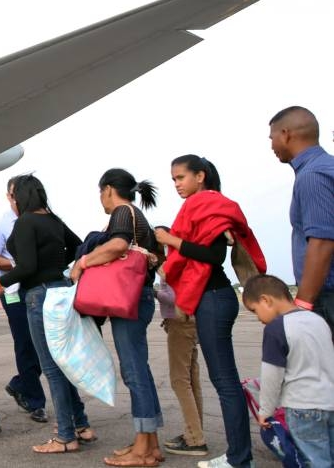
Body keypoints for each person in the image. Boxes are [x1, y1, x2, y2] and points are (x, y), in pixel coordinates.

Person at [156, 155, 266, 468]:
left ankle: (239, 459)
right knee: (224, 380)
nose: (177, 184)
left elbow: (213, 256)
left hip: (213, 298)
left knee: (225, 382)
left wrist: (170, 240)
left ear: (200, 176)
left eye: (180, 177)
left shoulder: (207, 205)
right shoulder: (207, 206)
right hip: (215, 298)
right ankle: (238, 456)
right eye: (173, 179)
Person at [69, 169, 163, 466]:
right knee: (139, 370)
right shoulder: (135, 213)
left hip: (130, 300)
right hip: (139, 298)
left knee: (134, 371)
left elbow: (119, 245)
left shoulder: (123, 211)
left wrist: (82, 262)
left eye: (100, 192)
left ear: (108, 189)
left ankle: (143, 451)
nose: (101, 199)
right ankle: (148, 443)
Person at [0, 174, 92, 453]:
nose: (10, 201)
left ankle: (65, 436)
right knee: (63, 363)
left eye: (11, 196)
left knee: (50, 366)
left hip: (39, 295)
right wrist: (60, 266)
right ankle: (81, 425)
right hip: (61, 291)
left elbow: (26, 266)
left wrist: (3, 281)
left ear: (20, 197)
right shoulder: (53, 220)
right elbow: (79, 245)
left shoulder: (26, 222)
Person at [244, 274, 334, 468]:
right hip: (330, 402)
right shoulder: (318, 320)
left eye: (255, 310)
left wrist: (265, 411)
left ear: (265, 300)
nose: (259, 318)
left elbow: (272, 375)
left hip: (302, 407)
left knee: (314, 461)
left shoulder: (276, 328)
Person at [0, 176, 48, 424]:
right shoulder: (2, 223)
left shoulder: (40, 217)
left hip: (37, 286)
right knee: (24, 342)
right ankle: (36, 402)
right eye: (14, 195)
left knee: (42, 343)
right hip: (12, 290)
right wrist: (20, 262)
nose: (17, 199)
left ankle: (20, 383)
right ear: (9, 196)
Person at [268, 106, 334, 339]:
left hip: (327, 295)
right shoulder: (326, 167)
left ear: (286, 134)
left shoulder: (313, 176)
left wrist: (302, 306)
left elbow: (323, 242)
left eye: (272, 138)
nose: (272, 146)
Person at [154, 271, 208, 457]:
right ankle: (194, 432)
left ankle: (195, 440)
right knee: (192, 381)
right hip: (189, 321)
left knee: (180, 381)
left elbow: (173, 297)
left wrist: (152, 292)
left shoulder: (173, 266)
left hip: (180, 322)